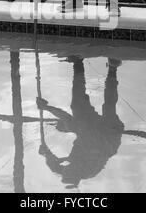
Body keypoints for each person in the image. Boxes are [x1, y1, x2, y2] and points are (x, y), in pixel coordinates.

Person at [37, 56, 124, 189]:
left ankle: (78, 63)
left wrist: (46, 154)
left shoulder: (70, 170)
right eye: (69, 168)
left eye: (66, 168)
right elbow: (66, 118)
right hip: (109, 136)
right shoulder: (88, 166)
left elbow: (55, 167)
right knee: (109, 107)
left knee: (77, 105)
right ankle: (113, 69)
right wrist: (46, 107)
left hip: (92, 131)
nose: (67, 167)